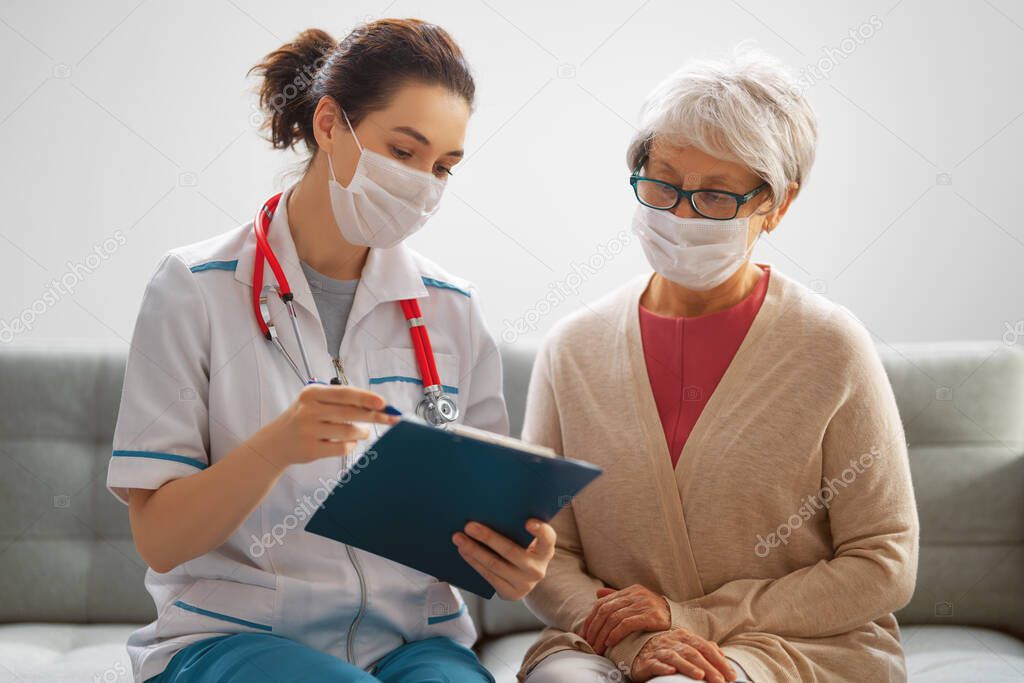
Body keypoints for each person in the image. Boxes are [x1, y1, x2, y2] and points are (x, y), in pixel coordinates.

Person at [106, 19, 555, 683]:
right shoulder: (194, 288)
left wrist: (517, 566)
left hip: (414, 639)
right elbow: (159, 539)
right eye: (402, 152)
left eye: (442, 168)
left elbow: (486, 519)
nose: (423, 185)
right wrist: (276, 444)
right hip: (234, 637)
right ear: (328, 125)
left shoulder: (451, 307)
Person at [518, 48, 919, 683]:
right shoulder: (572, 349)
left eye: (715, 196)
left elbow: (884, 560)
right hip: (602, 643)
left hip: (791, 645)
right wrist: (634, 641)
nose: (680, 214)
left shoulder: (830, 346)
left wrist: (693, 619)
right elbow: (547, 553)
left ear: (777, 205)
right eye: (664, 183)